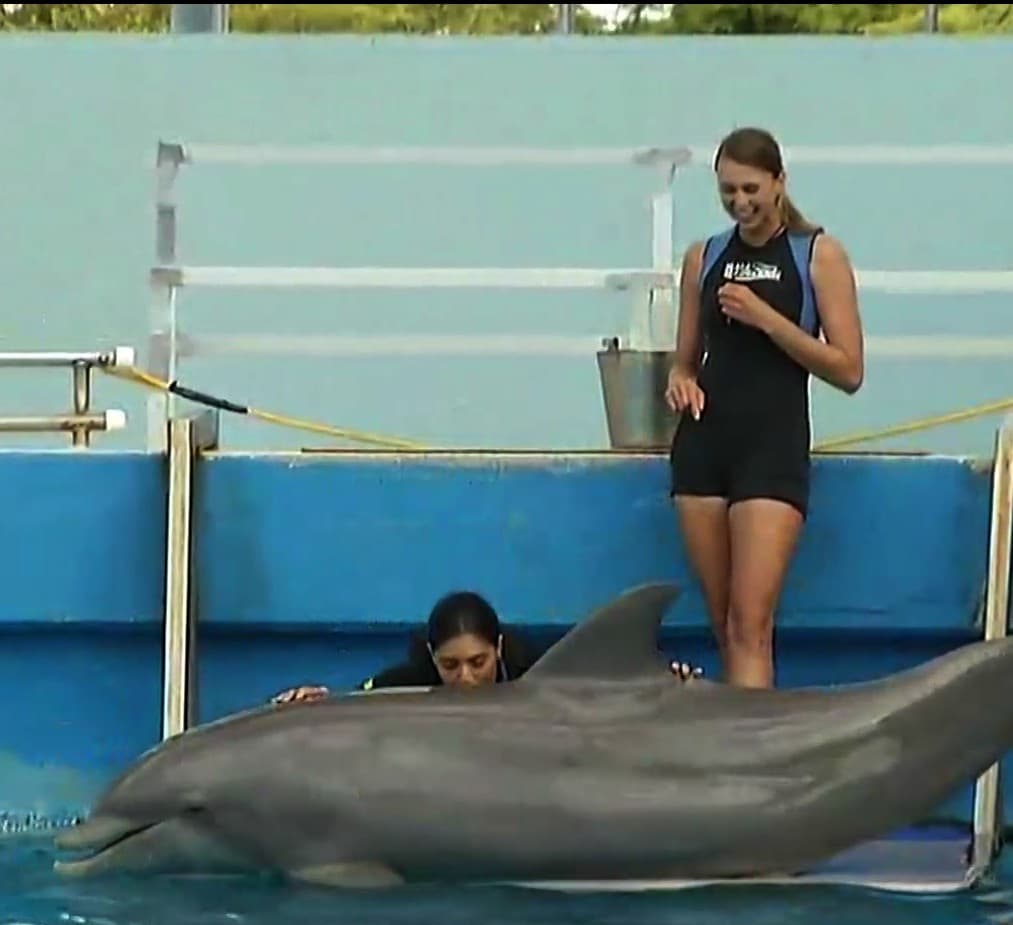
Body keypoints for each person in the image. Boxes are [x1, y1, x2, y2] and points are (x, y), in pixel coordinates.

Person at [665, 126, 864, 689]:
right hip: (704, 447)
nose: (740, 203)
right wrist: (680, 382)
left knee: (752, 623)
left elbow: (848, 370)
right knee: (724, 625)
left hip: (771, 449)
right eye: (728, 191)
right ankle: (731, 745)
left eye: (751, 189)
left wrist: (766, 318)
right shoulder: (704, 257)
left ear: (779, 183)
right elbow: (683, 360)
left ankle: (750, 763)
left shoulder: (817, 254)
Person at [272, 589, 703, 703]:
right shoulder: (413, 681)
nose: (465, 677)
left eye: (478, 662)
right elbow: (357, 706)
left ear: (498, 647)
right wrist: (318, 702)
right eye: (450, 665)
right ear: (430, 657)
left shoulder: (530, 666)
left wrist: (667, 683)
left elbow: (604, 688)